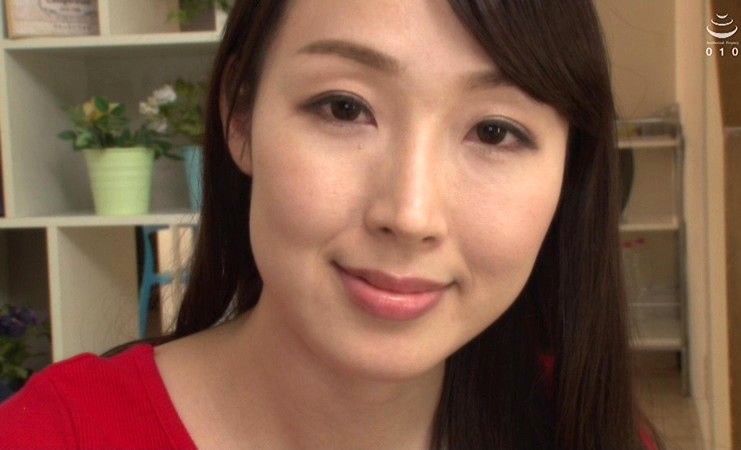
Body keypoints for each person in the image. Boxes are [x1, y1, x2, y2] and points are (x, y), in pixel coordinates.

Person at [0, 0, 660, 448]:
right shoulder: (53, 435)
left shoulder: (588, 431)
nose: (410, 214)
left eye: (495, 131)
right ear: (240, 118)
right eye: (344, 108)